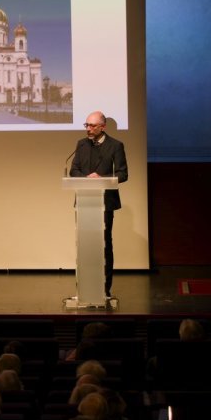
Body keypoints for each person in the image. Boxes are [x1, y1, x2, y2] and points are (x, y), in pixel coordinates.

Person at [70, 110, 128, 296]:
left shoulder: (115, 145)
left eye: (92, 125)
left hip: (104, 202)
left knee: (104, 243)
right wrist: (86, 178)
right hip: (85, 201)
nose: (88, 129)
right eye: (86, 125)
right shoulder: (81, 145)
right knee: (85, 244)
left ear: (103, 126)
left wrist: (100, 178)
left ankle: (105, 288)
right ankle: (85, 287)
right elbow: (74, 171)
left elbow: (123, 174)